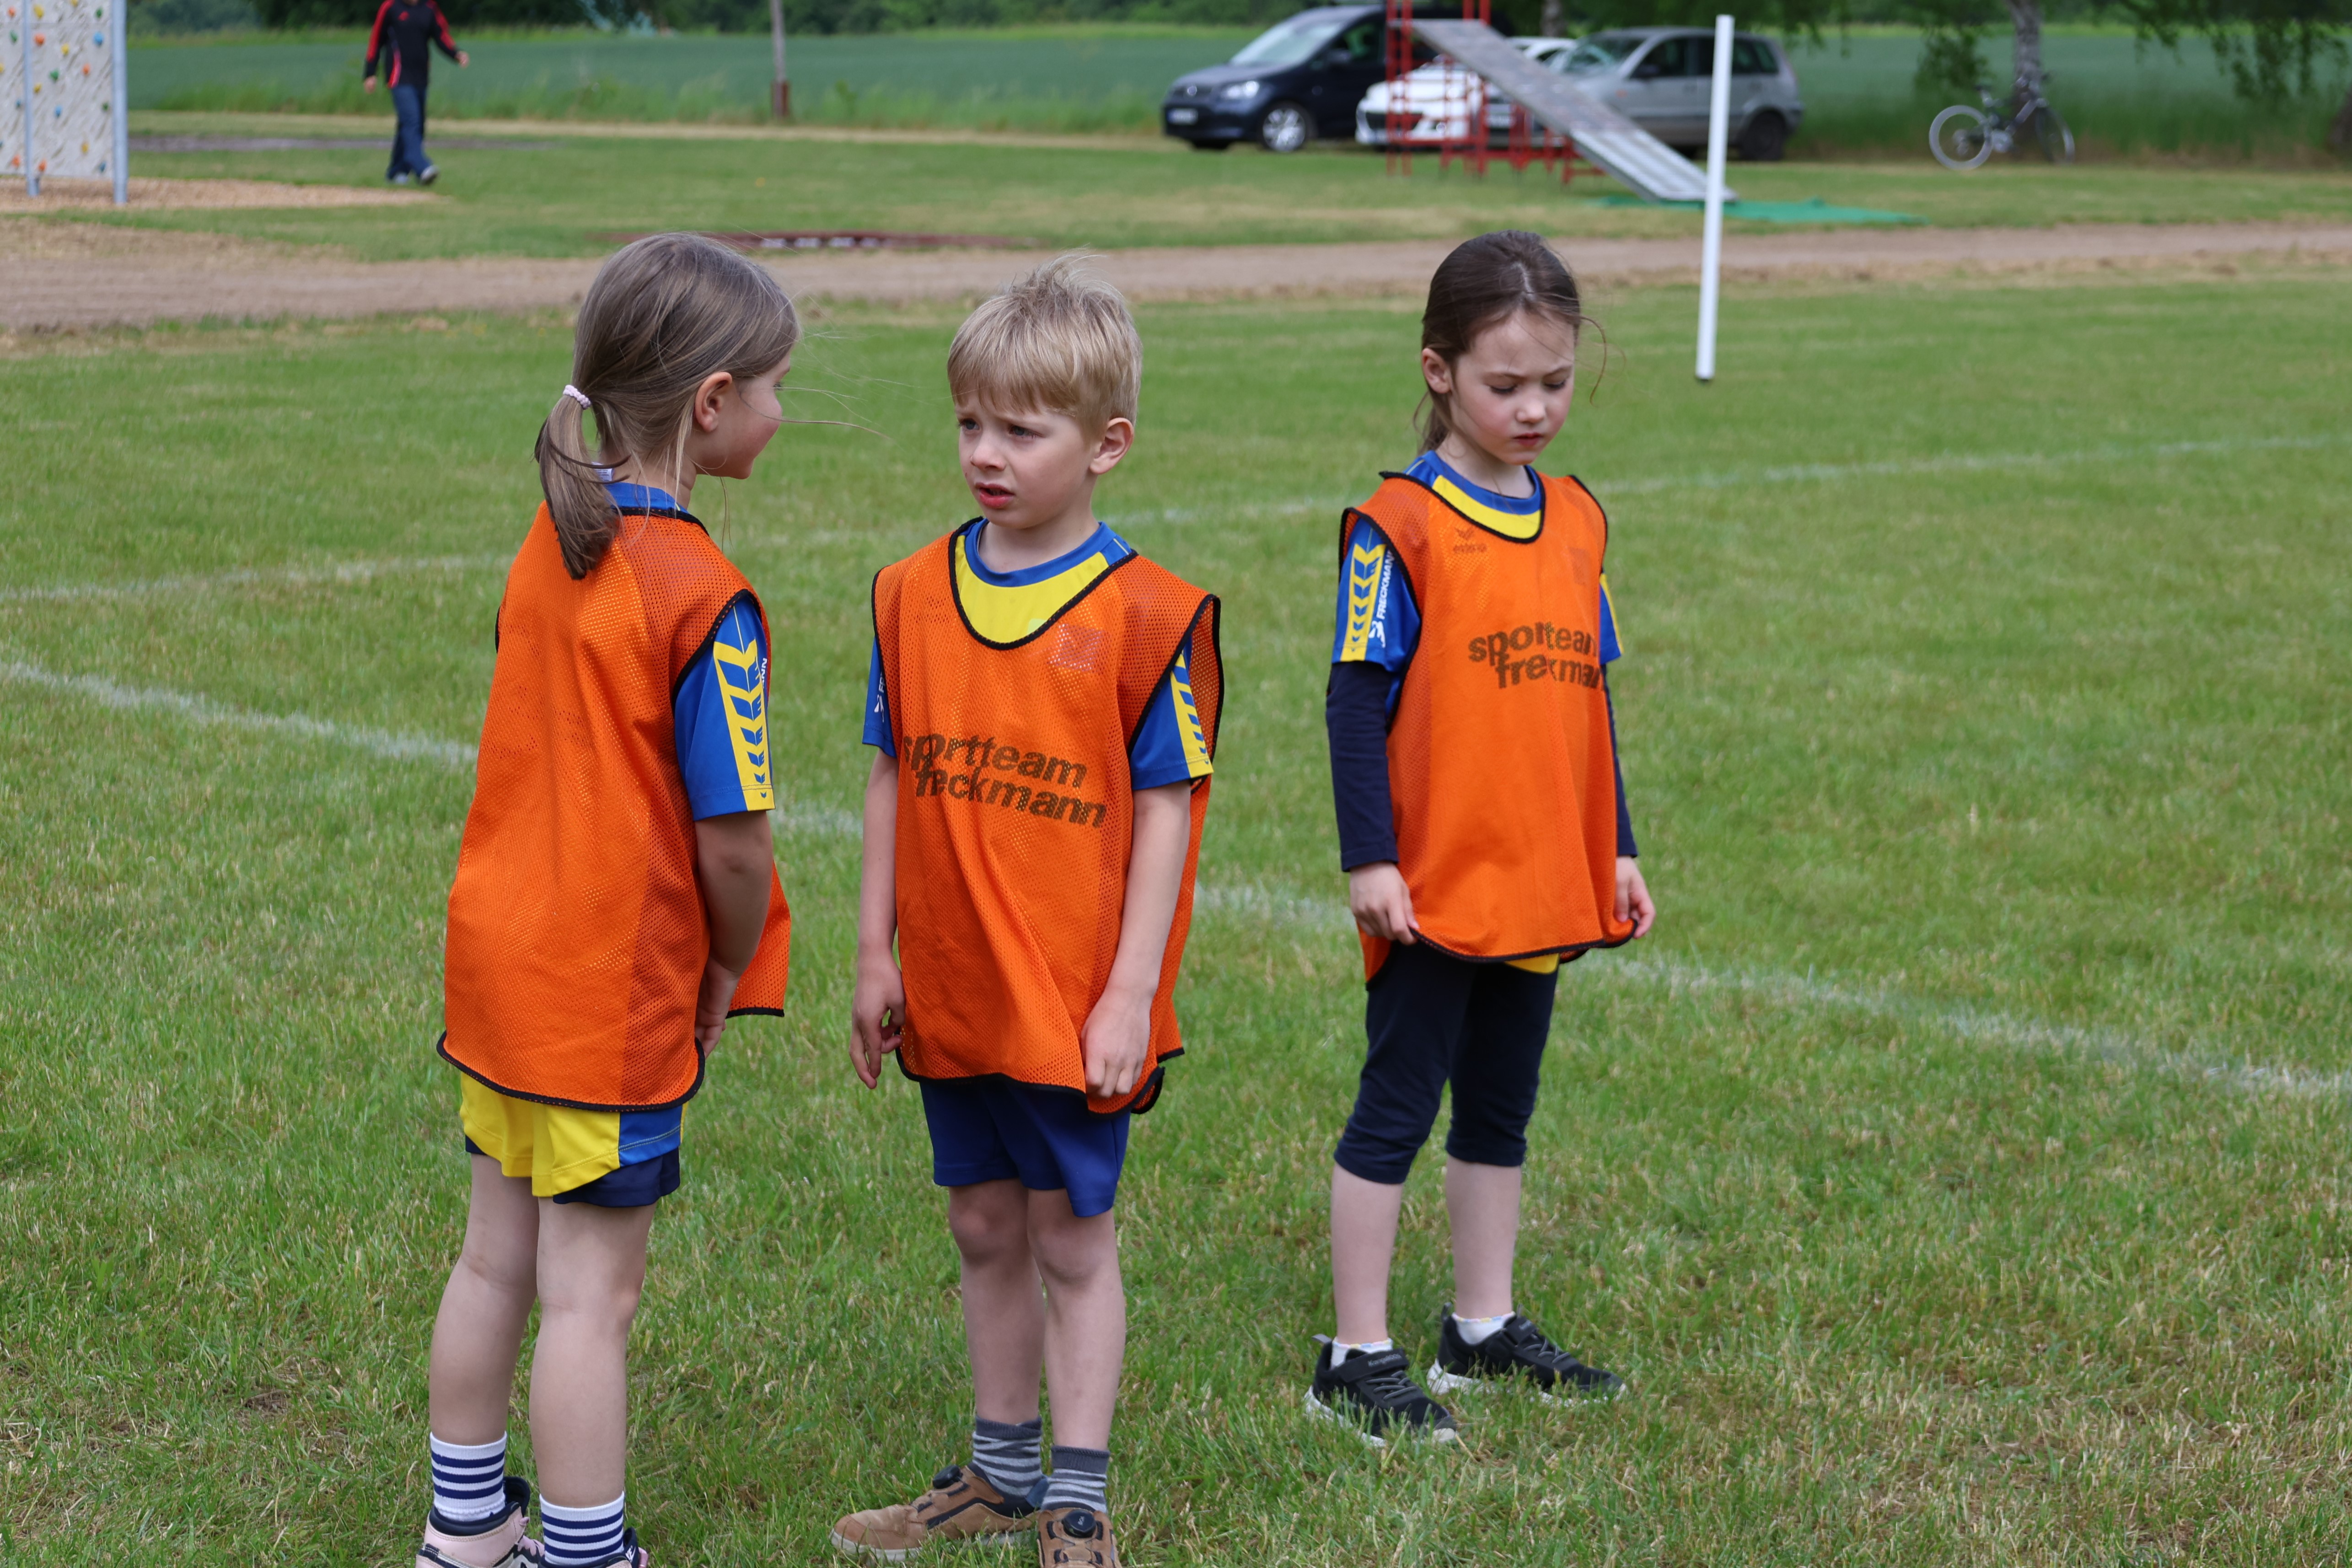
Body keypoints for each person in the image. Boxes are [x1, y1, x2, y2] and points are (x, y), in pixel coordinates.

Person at [416, 232, 799, 1568]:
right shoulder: (704, 595)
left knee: (493, 1259)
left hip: (500, 972)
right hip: (600, 993)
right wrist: (725, 963)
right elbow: (734, 843)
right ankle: (584, 1550)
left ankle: (465, 1528)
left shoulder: (553, 536)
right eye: (775, 386)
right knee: (591, 1296)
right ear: (713, 402)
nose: (783, 410)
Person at [835, 256, 1221, 1568]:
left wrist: (1128, 993)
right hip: (952, 981)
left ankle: (1076, 1499)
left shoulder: (1146, 615)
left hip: (1069, 995)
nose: (984, 454)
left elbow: (1166, 811)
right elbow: (890, 776)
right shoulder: (908, 591)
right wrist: (873, 950)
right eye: (968, 423)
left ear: (1106, 444)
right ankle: (998, 1474)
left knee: (1068, 1235)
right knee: (982, 1222)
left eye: (1020, 428)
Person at [1307, 230, 1658, 1445]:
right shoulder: (1396, 524)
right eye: (1505, 384)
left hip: (1542, 877)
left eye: (1554, 382)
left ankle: (1480, 1324)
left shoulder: (1578, 519)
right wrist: (1372, 858)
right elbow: (1354, 699)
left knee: (1501, 1106)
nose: (1534, 408)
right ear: (1440, 370)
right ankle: (1354, 1351)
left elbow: (1589, 701)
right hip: (1436, 883)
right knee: (1396, 1106)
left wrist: (1614, 845)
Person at [362, 0, 467, 187]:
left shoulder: (429, 8)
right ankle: (421, 167)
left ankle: (397, 171)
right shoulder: (391, 7)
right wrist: (370, 73)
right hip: (398, 76)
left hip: (420, 77)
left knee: (413, 125)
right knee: (412, 120)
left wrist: (456, 54)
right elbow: (376, 40)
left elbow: (441, 35)